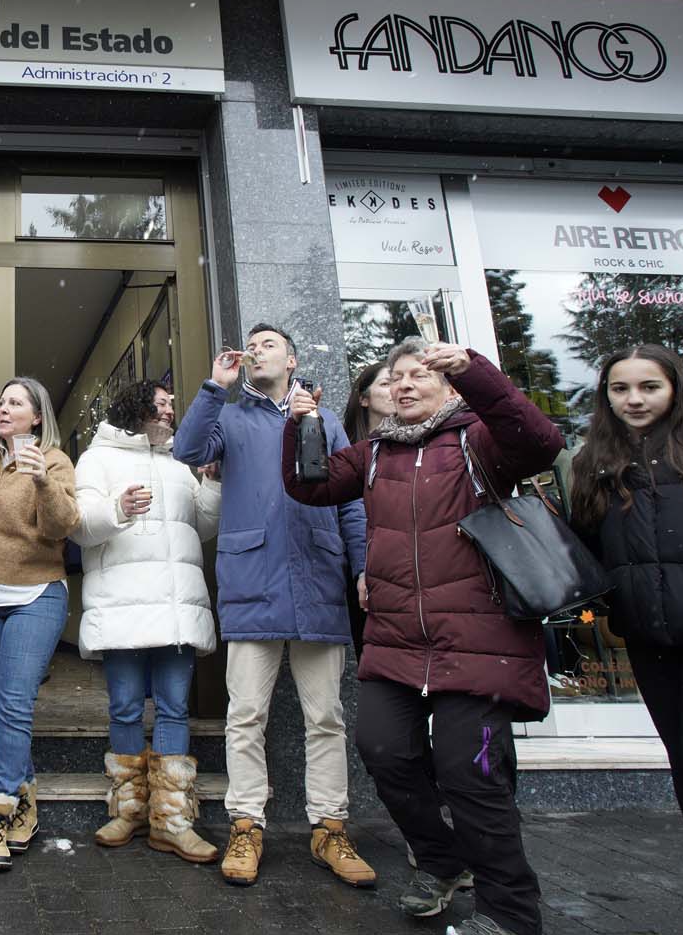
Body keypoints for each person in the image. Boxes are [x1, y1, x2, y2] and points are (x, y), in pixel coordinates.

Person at [283, 337, 563, 935]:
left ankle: (509, 914)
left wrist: (477, 370)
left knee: (471, 776)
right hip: (397, 642)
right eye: (395, 378)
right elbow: (308, 485)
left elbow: (541, 441)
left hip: (477, 643)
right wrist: (302, 424)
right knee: (384, 753)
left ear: (450, 386)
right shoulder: (375, 453)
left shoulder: (477, 441)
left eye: (419, 375)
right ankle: (442, 863)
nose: (404, 385)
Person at [171, 324, 373, 889]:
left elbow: (351, 503)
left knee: (326, 717)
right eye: (250, 344)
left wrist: (360, 567)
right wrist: (215, 387)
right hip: (253, 580)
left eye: (267, 344)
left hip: (317, 582)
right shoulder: (230, 416)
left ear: (292, 357)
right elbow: (187, 450)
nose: (255, 349)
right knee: (246, 716)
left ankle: (329, 826)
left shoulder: (324, 420)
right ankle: (246, 824)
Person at [568, 344, 683, 935]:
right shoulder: (594, 464)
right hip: (648, 639)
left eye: (648, 387)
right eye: (620, 388)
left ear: (675, 389)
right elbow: (589, 547)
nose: (634, 400)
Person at [71, 380, 221, 863]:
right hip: (121, 606)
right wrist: (117, 510)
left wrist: (213, 482)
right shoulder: (97, 458)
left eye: (172, 406)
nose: (171, 413)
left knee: (175, 708)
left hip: (175, 607)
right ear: (137, 410)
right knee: (126, 708)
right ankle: (130, 810)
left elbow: (201, 526)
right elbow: (80, 526)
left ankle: (172, 821)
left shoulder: (183, 460)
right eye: (162, 405)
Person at [0, 377, 80, 873]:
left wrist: (40, 481)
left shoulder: (54, 461)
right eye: (1, 402)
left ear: (37, 416)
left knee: (13, 705)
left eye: (16, 403)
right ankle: (25, 804)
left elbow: (60, 527)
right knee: (1, 706)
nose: (4, 408)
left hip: (36, 593)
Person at [341, 359, 392, 658]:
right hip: (364, 576)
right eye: (386, 383)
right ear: (363, 398)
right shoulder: (347, 452)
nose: (396, 389)